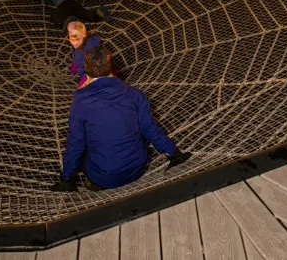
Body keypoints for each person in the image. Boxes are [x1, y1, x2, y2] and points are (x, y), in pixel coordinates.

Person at [51, 46, 191, 191]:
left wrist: (67, 177)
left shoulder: (80, 104)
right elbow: (150, 129)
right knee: (136, 127)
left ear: (86, 68)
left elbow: (75, 143)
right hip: (136, 169)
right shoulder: (135, 94)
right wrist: (174, 153)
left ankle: (90, 183)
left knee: (82, 142)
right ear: (110, 66)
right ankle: (169, 155)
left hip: (103, 176)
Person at [67, 21, 120, 88]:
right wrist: (73, 70)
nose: (75, 43)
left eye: (77, 39)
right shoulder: (76, 47)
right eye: (72, 39)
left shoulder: (91, 46)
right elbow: (75, 58)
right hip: (84, 69)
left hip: (91, 72)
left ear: (83, 36)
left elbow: (99, 64)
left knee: (82, 90)